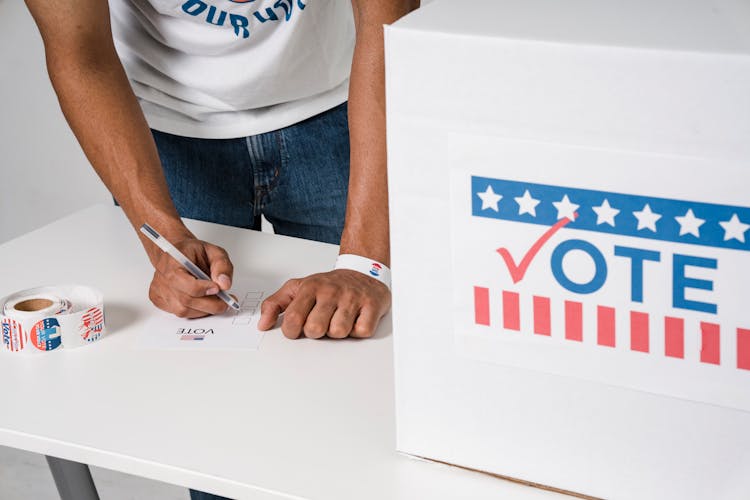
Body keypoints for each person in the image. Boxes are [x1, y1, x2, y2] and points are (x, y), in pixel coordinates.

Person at [25, 0, 417, 498]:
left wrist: (365, 265)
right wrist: (163, 236)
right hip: (167, 130)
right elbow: (80, 55)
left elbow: (391, 29)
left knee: (368, 368)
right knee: (211, 410)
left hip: (339, 106)